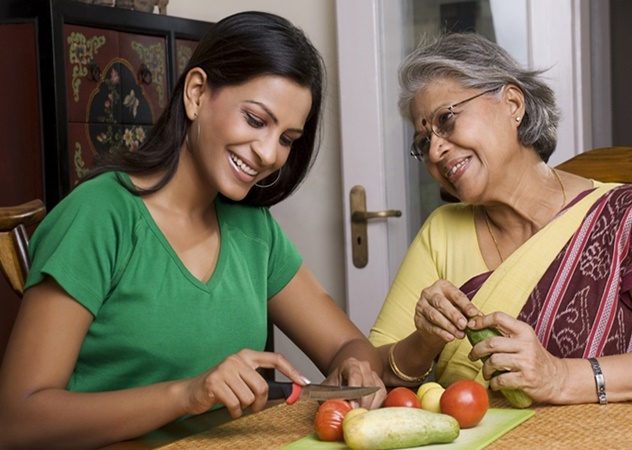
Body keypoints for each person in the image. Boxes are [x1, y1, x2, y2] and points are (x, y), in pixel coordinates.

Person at [0, 11, 385, 449]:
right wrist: (187, 394)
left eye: (287, 138)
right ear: (197, 93)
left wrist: (356, 368)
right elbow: (16, 420)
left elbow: (348, 345)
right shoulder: (99, 216)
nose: (268, 154)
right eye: (257, 120)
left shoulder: (253, 229)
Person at [369, 32, 632, 405]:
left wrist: (561, 377)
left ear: (513, 104)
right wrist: (424, 341)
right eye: (422, 143)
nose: (435, 150)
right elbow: (375, 370)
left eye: (447, 120)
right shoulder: (441, 230)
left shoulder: (630, 219)